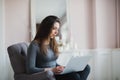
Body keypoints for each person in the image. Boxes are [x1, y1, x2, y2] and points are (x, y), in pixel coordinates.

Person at [26, 15, 90, 80]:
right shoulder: (34, 45)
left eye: (57, 29)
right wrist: (52, 69)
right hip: (48, 75)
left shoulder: (52, 43)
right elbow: (30, 69)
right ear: (46, 28)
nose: (56, 32)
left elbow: (53, 62)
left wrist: (60, 67)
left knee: (86, 68)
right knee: (75, 77)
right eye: (54, 28)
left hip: (56, 72)